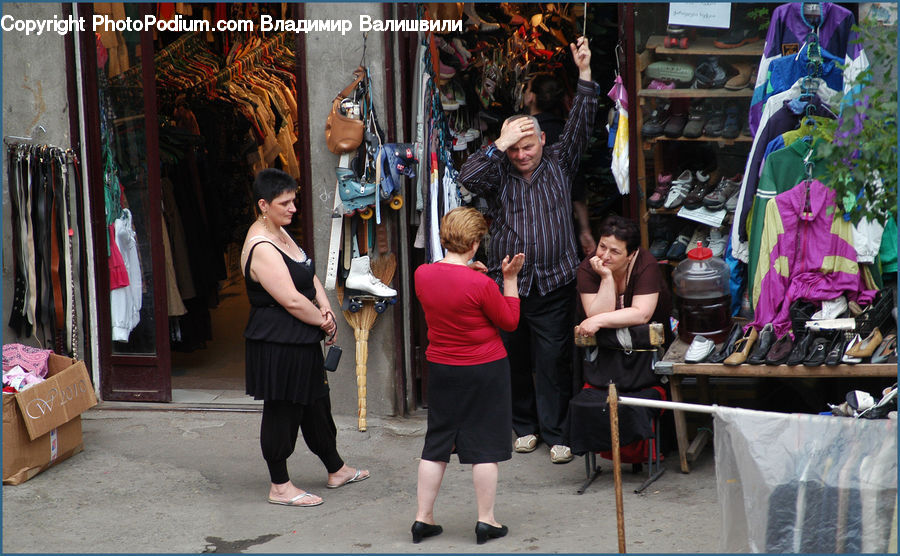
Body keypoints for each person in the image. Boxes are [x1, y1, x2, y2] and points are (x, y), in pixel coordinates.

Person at [459, 37, 597, 464]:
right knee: (514, 358)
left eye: (528, 145)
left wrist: (586, 73)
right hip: (508, 285)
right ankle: (524, 427)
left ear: (542, 140)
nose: (522, 154)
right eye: (515, 148)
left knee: (553, 359)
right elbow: (468, 176)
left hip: (555, 279)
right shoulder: (498, 170)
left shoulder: (559, 161)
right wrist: (499, 143)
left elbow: (582, 123)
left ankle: (556, 432)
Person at [241, 168, 369, 508]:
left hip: (301, 337)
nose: (293, 208)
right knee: (283, 410)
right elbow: (292, 299)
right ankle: (280, 486)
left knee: (315, 405)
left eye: (294, 200)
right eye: (285, 203)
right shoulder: (262, 245)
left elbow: (308, 277)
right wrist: (324, 324)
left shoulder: (282, 233)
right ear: (264, 205)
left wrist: (326, 309)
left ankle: (335, 468)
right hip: (278, 341)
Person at [412, 207, 524, 545]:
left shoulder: (422, 274)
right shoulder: (480, 284)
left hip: (442, 368)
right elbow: (509, 321)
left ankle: (422, 519)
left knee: (436, 443)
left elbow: (451, 292)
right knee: (486, 445)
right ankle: (485, 520)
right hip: (485, 368)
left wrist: (476, 277)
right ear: (475, 242)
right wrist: (508, 280)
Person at [566, 215, 673, 458]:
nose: (604, 256)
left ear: (631, 254)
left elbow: (641, 313)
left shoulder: (645, 264)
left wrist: (598, 321)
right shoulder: (589, 268)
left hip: (644, 356)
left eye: (615, 251)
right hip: (605, 356)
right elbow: (595, 311)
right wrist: (605, 278)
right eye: (602, 246)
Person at [524, 72, 596, 257]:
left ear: (531, 97)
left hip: (525, 226)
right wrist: (585, 230)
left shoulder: (520, 134)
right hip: (562, 227)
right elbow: (577, 188)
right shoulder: (566, 134)